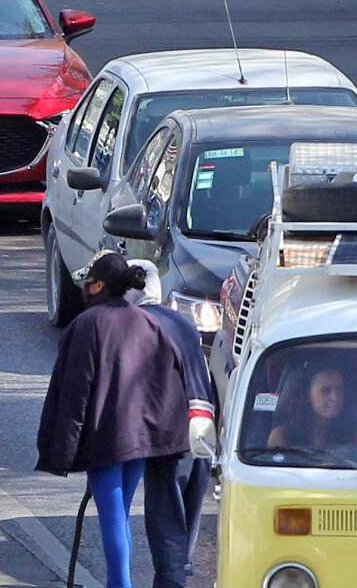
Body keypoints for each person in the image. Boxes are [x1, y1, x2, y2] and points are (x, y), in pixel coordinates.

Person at [36, 250, 194, 588]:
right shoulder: (148, 322)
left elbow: (74, 393)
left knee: (112, 520)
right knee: (118, 514)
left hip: (106, 440)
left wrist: (61, 450)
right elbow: (167, 382)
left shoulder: (88, 325)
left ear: (97, 286)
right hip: (142, 439)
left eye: (88, 282)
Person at [126, 260, 217, 588]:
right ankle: (179, 572)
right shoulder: (181, 320)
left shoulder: (138, 323)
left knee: (166, 523)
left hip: (172, 432)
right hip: (203, 424)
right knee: (186, 521)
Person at [265, 362, 357, 453]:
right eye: (325, 390)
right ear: (307, 395)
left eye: (339, 390)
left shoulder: (355, 437)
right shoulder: (281, 436)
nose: (335, 397)